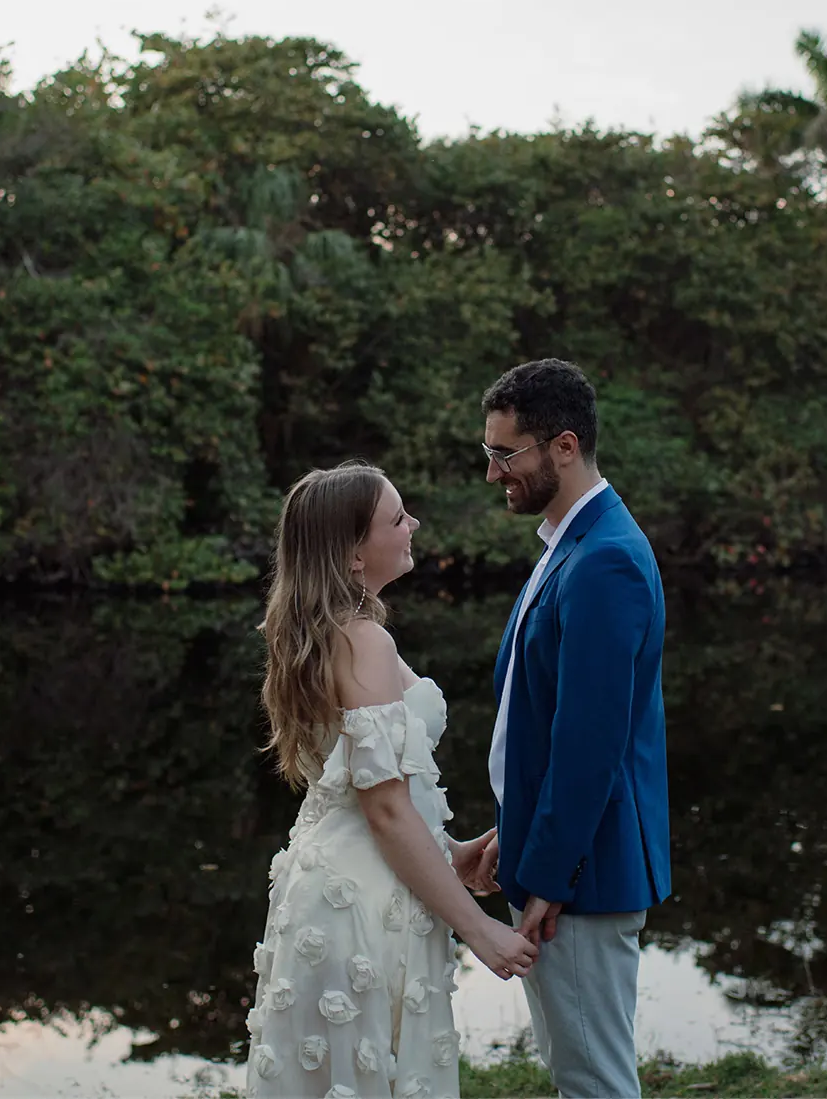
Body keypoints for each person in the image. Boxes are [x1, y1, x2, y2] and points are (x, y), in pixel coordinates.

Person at [246, 461, 538, 1098]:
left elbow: (364, 793)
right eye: (396, 517)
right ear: (354, 552)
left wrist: (453, 854)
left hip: (331, 882)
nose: (413, 525)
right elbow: (384, 810)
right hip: (363, 902)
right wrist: (478, 928)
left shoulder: (323, 633)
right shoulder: (363, 642)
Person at [472, 359, 672, 1099]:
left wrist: (550, 872)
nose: (493, 472)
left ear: (562, 445)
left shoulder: (606, 559)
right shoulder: (569, 543)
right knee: (575, 1073)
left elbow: (591, 747)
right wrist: (512, 831)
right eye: (489, 452)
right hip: (555, 859)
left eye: (504, 453)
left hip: (582, 878)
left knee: (594, 1082)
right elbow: (547, 719)